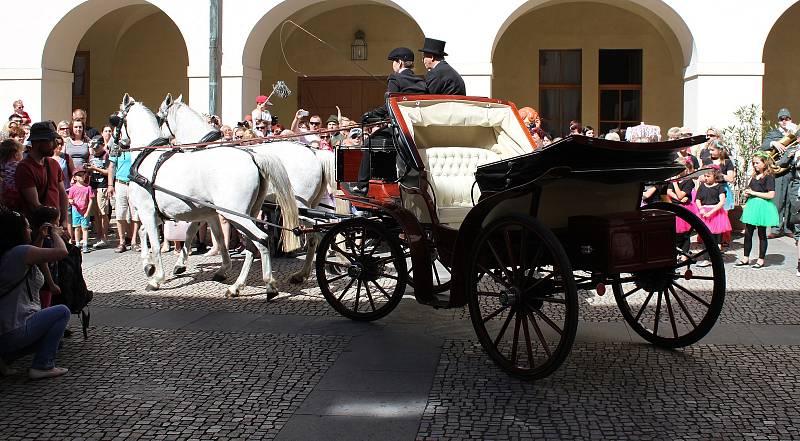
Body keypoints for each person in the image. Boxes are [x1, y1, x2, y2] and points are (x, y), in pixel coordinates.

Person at [0, 208, 71, 380]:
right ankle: (43, 365)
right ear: (17, 231)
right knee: (62, 311)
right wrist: (55, 233)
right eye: (27, 227)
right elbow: (62, 253)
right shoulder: (20, 253)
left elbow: (33, 260)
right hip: (15, 329)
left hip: (6, 330)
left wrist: (39, 237)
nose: (30, 230)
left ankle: (5, 359)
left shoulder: (11, 254)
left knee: (56, 337)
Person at [15, 122, 68, 227]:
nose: (55, 144)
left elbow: (62, 194)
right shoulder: (25, 168)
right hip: (37, 229)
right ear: (38, 142)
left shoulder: (53, 164)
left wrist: (64, 222)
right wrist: (51, 226)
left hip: (56, 227)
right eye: (51, 140)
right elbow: (35, 205)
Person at [737, 151, 780, 269]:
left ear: (764, 163)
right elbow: (752, 190)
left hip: (763, 207)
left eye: (757, 163)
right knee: (748, 233)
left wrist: (753, 193)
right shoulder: (754, 176)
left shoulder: (769, 177)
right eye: (753, 163)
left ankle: (761, 259)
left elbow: (771, 195)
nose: (755, 165)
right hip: (752, 205)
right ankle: (745, 258)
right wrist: (747, 194)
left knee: (762, 234)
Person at [760, 108, 797, 238]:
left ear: (790, 119)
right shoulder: (774, 133)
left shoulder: (796, 132)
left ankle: (788, 228)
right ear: (778, 121)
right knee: (779, 200)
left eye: (787, 118)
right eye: (782, 119)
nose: (784, 121)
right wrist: (774, 142)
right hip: (779, 171)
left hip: (792, 169)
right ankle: (776, 229)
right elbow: (763, 146)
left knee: (790, 200)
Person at [695, 165, 731, 266]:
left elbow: (722, 201)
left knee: (716, 237)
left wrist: (711, 212)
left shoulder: (719, 187)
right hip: (704, 212)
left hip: (716, 213)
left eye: (708, 176)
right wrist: (701, 209)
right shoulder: (702, 186)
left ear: (715, 176)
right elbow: (698, 199)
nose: (706, 178)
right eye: (705, 176)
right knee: (705, 237)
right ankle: (706, 258)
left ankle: (715, 258)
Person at [108, 138, 139, 252]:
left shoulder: (135, 146)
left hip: (134, 183)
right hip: (120, 183)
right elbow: (111, 166)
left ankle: (135, 240)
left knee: (135, 213)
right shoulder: (115, 147)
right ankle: (121, 241)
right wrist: (110, 185)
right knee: (120, 213)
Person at [667, 157, 698, 258]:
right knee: (675, 233)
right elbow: (669, 191)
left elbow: (681, 195)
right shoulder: (673, 181)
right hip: (675, 206)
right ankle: (676, 251)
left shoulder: (688, 182)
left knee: (685, 233)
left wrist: (675, 184)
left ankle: (685, 252)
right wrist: (678, 198)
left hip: (685, 208)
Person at [86, 136, 110, 248]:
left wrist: (95, 169)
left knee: (103, 212)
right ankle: (98, 236)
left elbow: (108, 172)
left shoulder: (106, 155)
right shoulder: (91, 155)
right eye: (93, 147)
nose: (95, 150)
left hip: (102, 185)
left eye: (97, 147)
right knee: (95, 213)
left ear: (102, 145)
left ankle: (104, 237)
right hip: (93, 185)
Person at [67, 167, 95, 253]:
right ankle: (78, 244)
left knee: (85, 228)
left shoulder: (88, 188)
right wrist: (71, 201)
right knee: (77, 228)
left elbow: (91, 200)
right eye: (79, 175)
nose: (82, 177)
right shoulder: (72, 188)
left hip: (85, 211)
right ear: (74, 177)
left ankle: (85, 244)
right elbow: (70, 198)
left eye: (83, 175)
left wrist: (88, 211)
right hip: (76, 211)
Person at [0, 139, 24, 211]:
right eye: (21, 152)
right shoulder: (18, 166)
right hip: (15, 199)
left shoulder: (3, 165)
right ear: (16, 155)